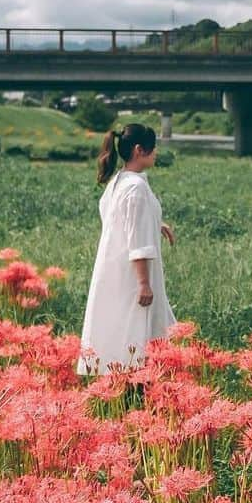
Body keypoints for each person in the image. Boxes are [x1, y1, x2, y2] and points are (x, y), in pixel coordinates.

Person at [78, 122, 176, 374]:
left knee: (120, 330)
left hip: (116, 271)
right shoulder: (136, 187)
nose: (155, 154)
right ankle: (136, 394)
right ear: (139, 150)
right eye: (152, 149)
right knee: (136, 334)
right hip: (132, 275)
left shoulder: (119, 181)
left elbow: (121, 221)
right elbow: (136, 240)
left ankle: (126, 388)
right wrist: (144, 283)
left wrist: (156, 223)